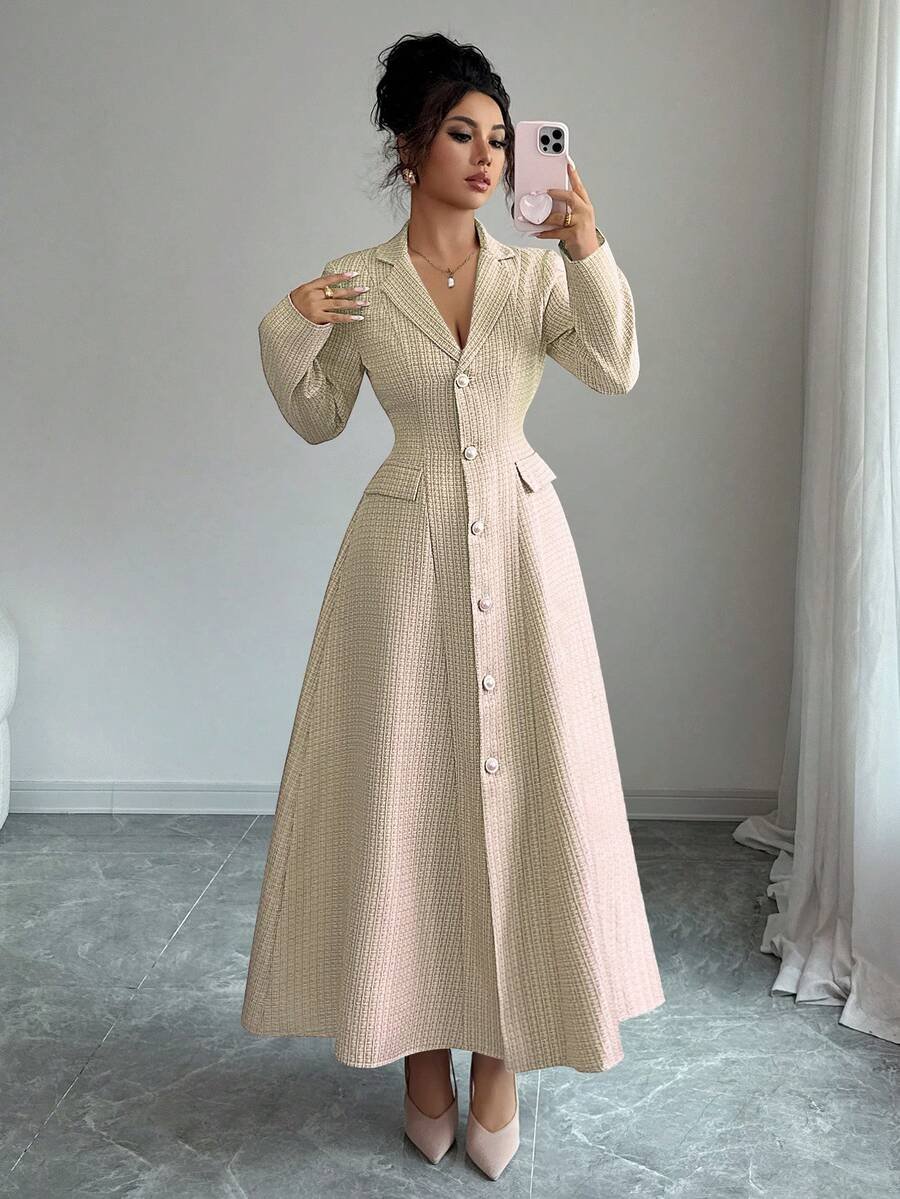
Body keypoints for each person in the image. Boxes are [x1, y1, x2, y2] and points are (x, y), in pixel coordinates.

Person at [242, 31, 665, 1182]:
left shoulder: (534, 279)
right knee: (410, 796)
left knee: (522, 800)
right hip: (401, 559)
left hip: (523, 555)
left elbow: (615, 365)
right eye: (461, 134)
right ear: (409, 147)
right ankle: (420, 1055)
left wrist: (587, 246)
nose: (486, 156)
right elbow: (318, 415)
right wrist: (290, 320)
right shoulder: (361, 280)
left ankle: (501, 1061)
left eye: (500, 138)